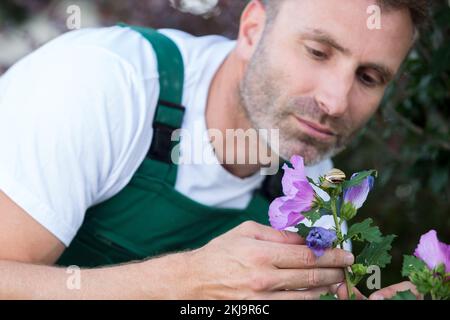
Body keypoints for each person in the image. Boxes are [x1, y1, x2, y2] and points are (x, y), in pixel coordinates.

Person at [0, 0, 428, 299]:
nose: (336, 101)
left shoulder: (316, 189)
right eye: (318, 52)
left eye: (369, 78)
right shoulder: (106, 85)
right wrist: (182, 282)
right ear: (252, 30)